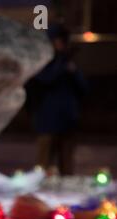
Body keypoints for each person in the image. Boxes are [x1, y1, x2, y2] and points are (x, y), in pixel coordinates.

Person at [25, 24, 88, 176]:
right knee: (43, 165)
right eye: (58, 40)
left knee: (67, 165)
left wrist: (72, 71)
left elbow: (84, 88)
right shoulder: (44, 62)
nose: (61, 44)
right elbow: (45, 80)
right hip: (47, 120)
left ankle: (65, 193)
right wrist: (61, 64)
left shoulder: (69, 63)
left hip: (67, 120)